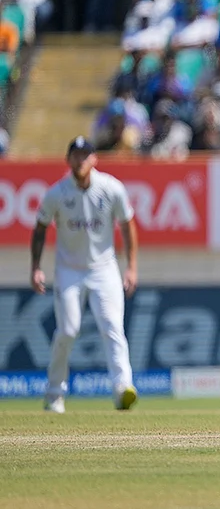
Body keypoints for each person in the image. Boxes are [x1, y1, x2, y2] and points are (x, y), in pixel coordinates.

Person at [31, 137, 139, 413]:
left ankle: (122, 388)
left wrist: (131, 267)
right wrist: (35, 267)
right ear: (68, 160)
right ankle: (54, 394)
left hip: (105, 269)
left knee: (113, 327)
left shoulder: (111, 188)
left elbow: (128, 226)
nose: (80, 161)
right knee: (67, 331)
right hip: (69, 270)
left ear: (94, 159)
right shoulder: (57, 193)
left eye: (85, 155)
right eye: (75, 156)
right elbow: (40, 228)